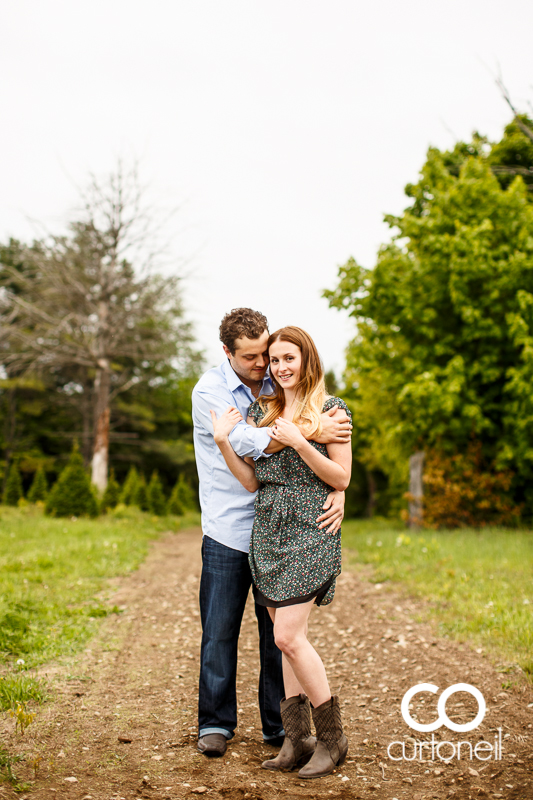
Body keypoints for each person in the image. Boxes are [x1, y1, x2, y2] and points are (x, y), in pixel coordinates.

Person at [192, 309, 352, 758]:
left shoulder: (310, 401)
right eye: (258, 358)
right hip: (238, 529)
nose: (268, 365)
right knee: (222, 631)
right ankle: (231, 727)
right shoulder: (222, 394)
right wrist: (307, 431)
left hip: (296, 533)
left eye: (276, 356)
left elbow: (337, 472)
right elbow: (250, 455)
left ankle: (302, 734)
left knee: (280, 637)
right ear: (228, 353)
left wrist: (336, 483)